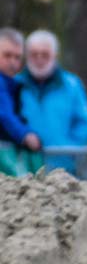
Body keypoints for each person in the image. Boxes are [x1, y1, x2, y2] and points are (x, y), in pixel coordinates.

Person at [17, 29, 87, 154]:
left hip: (63, 165)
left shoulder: (71, 85)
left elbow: (84, 123)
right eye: (34, 54)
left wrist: (68, 149)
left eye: (45, 54)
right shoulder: (15, 84)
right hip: (23, 165)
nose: (39, 59)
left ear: (55, 55)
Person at [0, 28, 42, 172]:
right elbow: (4, 114)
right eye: (7, 55)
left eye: (17, 57)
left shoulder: (13, 83)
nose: (12, 62)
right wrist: (25, 135)